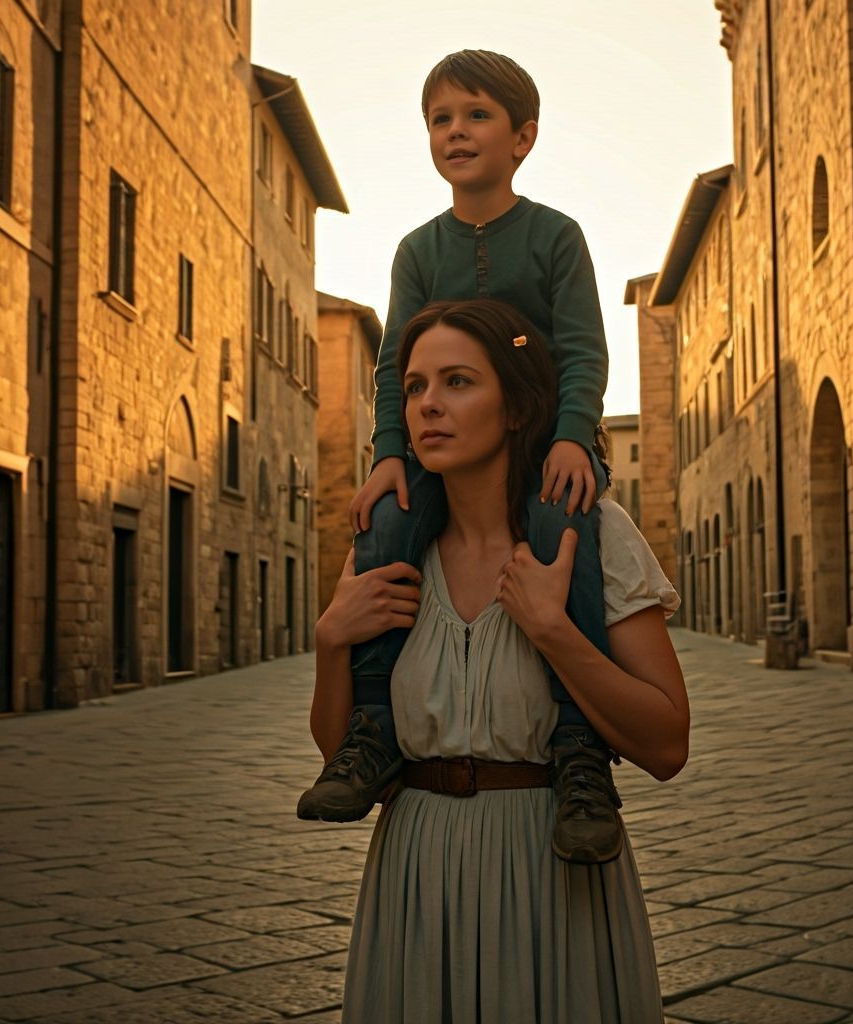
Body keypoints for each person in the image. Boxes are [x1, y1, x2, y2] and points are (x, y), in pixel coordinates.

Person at [311, 298, 689, 1023]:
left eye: (457, 382)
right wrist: (332, 642)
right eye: (416, 387)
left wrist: (555, 631)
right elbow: (339, 752)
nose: (428, 407)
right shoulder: (384, 551)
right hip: (415, 881)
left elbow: (668, 744)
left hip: (553, 880)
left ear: (516, 406)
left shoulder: (596, 536)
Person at [298, 49, 626, 863]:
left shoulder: (555, 236)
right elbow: (393, 368)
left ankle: (582, 751)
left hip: (546, 445)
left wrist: (571, 439)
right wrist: (386, 454)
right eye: (440, 119)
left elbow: (584, 350)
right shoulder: (418, 250)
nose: (455, 132)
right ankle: (370, 729)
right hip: (443, 449)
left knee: (565, 519)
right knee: (385, 520)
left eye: (475, 115)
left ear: (523, 137)